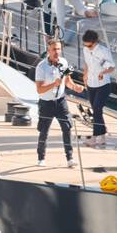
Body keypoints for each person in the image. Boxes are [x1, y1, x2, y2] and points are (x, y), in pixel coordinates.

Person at [34, 37, 84, 167]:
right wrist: (53, 84)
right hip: (46, 103)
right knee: (44, 131)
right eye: (54, 49)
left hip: (61, 101)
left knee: (67, 128)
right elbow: (39, 89)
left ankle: (70, 158)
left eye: (59, 49)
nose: (57, 52)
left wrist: (75, 87)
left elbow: (67, 81)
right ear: (48, 51)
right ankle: (41, 158)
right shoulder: (41, 67)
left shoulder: (64, 62)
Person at [80, 29, 115, 148]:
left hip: (103, 85)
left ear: (94, 42)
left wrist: (103, 72)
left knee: (97, 109)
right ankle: (103, 136)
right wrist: (85, 75)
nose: (87, 47)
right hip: (91, 83)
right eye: (85, 45)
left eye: (89, 45)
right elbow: (86, 63)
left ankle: (94, 138)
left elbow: (112, 68)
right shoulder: (85, 49)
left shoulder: (103, 51)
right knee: (96, 111)